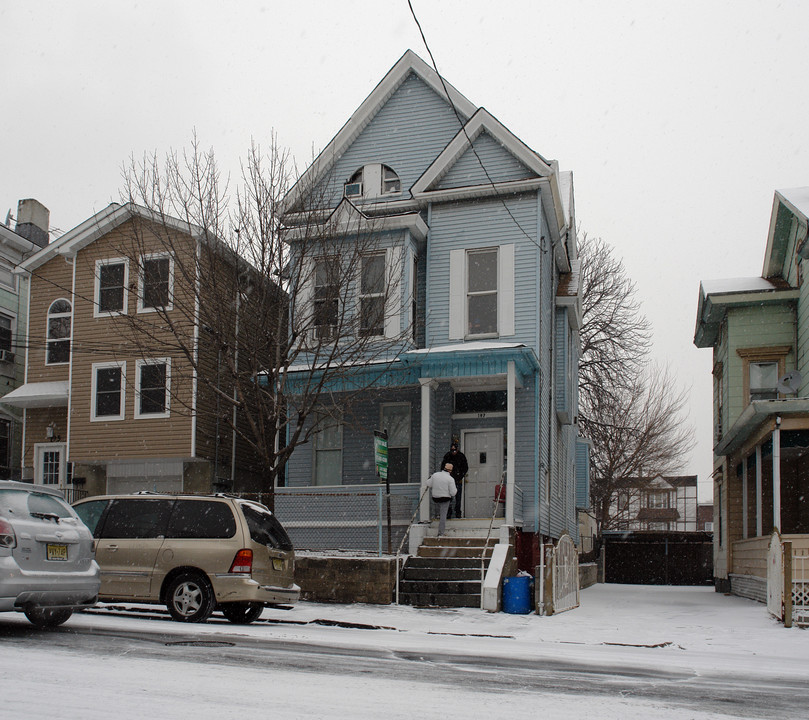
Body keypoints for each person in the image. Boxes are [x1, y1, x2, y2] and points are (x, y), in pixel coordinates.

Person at [426, 462, 457, 536]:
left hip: (435, 498)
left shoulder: (435, 475)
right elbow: (453, 493)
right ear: (450, 471)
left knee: (439, 510)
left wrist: (429, 478)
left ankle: (435, 516)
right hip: (445, 499)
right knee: (443, 515)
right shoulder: (450, 479)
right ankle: (441, 533)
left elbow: (428, 484)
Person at [442, 443, 468, 519]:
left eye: (455, 450)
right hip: (448, 480)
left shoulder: (461, 456)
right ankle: (448, 512)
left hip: (458, 480)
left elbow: (465, 468)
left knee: (458, 497)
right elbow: (443, 467)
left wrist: (460, 476)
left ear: (457, 449)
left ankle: (458, 512)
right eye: (452, 450)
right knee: (448, 497)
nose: (453, 452)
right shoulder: (447, 456)